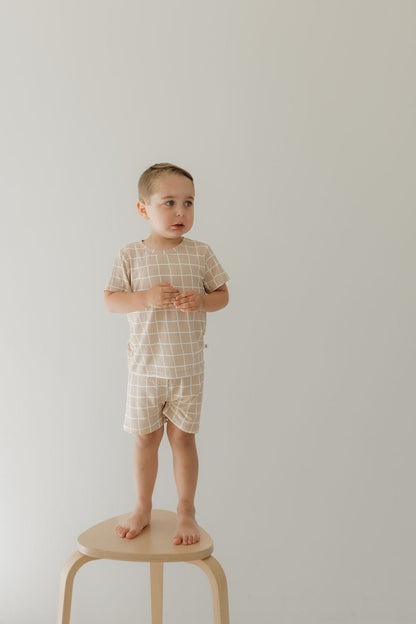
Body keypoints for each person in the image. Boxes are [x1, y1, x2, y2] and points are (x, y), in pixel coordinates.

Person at [104, 162, 230, 545]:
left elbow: (222, 295)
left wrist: (203, 302)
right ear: (143, 209)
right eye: (169, 202)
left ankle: (186, 510)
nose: (181, 212)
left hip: (187, 369)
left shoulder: (201, 253)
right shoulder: (131, 255)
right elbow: (111, 301)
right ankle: (142, 506)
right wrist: (144, 298)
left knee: (184, 439)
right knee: (145, 439)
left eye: (188, 203)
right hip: (145, 370)